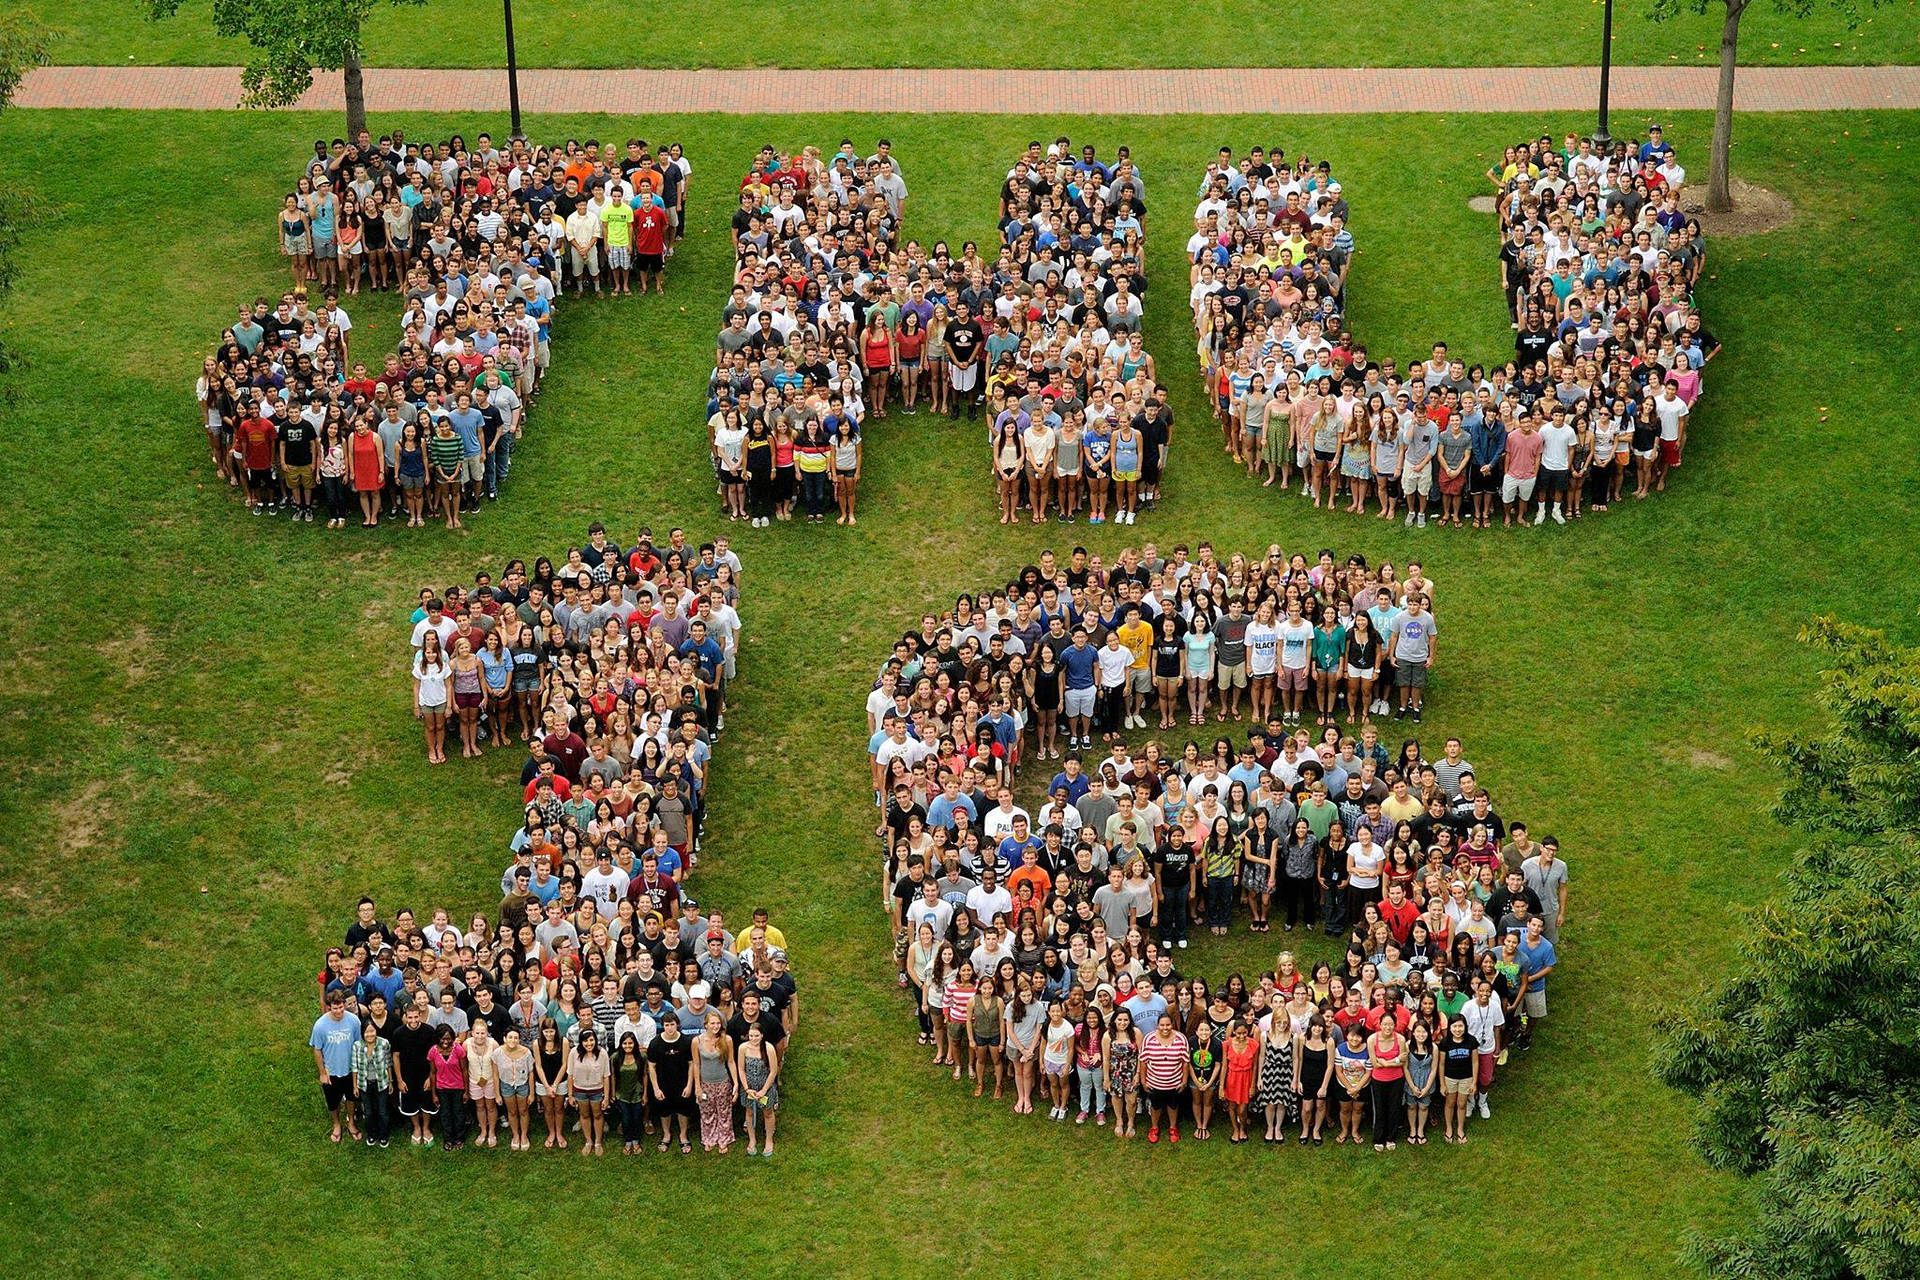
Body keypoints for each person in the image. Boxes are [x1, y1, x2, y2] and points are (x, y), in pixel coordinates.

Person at [1184, 131, 1712, 530]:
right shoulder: (1375, 393)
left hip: (1498, 458)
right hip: (1406, 454)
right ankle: (1402, 505)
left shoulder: (1500, 405)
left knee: (1506, 480)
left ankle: (1510, 509)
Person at [311, 990, 361, 1143]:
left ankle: (351, 1121)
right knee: (333, 1101)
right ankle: (336, 1124)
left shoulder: (354, 1021)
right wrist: (322, 1072)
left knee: (352, 1098)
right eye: (335, 1008)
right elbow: (317, 1050)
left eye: (341, 1007)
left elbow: (358, 1045)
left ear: (344, 1005)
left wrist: (357, 1069)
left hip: (350, 1069)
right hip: (331, 1071)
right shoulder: (320, 1025)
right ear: (328, 1008)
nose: (339, 1011)